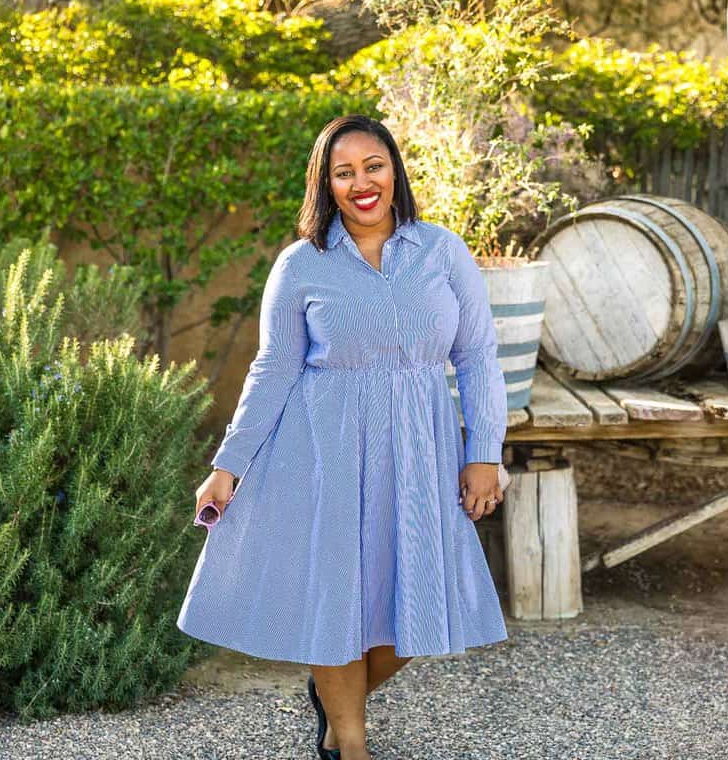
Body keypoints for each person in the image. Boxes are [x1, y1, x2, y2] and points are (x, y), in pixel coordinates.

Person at [176, 114, 509, 760]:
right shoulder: (301, 265)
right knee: (336, 605)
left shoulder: (443, 251)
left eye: (374, 166)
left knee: (419, 614)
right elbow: (272, 369)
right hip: (322, 457)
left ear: (394, 171)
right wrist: (228, 465)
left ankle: (334, 700)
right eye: (344, 172)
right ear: (326, 185)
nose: (362, 183)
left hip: (421, 456)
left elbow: (477, 357)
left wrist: (483, 453)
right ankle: (348, 744)